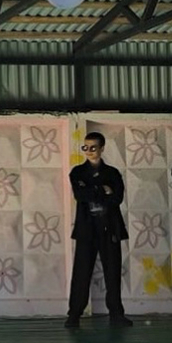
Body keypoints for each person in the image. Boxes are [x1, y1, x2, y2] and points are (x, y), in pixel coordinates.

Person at [65, 132, 132, 329]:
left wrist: (94, 190)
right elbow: (80, 195)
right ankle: (74, 314)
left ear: (102, 148)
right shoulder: (77, 172)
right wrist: (104, 190)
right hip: (87, 228)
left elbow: (117, 198)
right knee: (81, 271)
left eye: (93, 147)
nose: (88, 151)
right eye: (85, 147)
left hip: (110, 227)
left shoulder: (112, 173)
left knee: (113, 272)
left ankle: (116, 314)